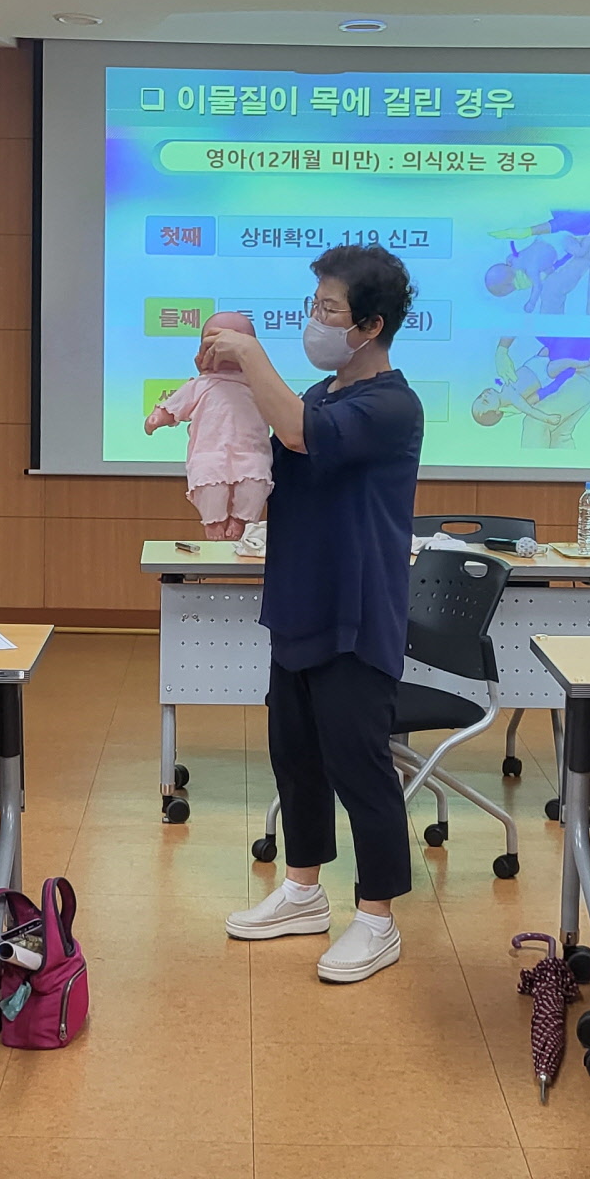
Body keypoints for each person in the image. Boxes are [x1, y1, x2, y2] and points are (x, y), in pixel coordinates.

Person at [205, 245, 425, 984]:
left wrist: (248, 350)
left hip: (355, 612)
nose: (315, 320)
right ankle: (303, 890)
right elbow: (278, 459)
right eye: (315, 306)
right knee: (295, 755)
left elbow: (301, 436)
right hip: (298, 601)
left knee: (359, 766)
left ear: (371, 324)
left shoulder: (391, 403)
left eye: (329, 310)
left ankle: (377, 917)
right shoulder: (323, 391)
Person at [145, 310, 274, 541]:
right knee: (210, 488)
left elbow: (282, 413)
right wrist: (159, 416)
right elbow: (174, 405)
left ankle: (241, 519)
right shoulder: (201, 385)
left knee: (254, 484)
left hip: (251, 454)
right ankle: (213, 522)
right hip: (209, 454)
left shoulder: (261, 385)